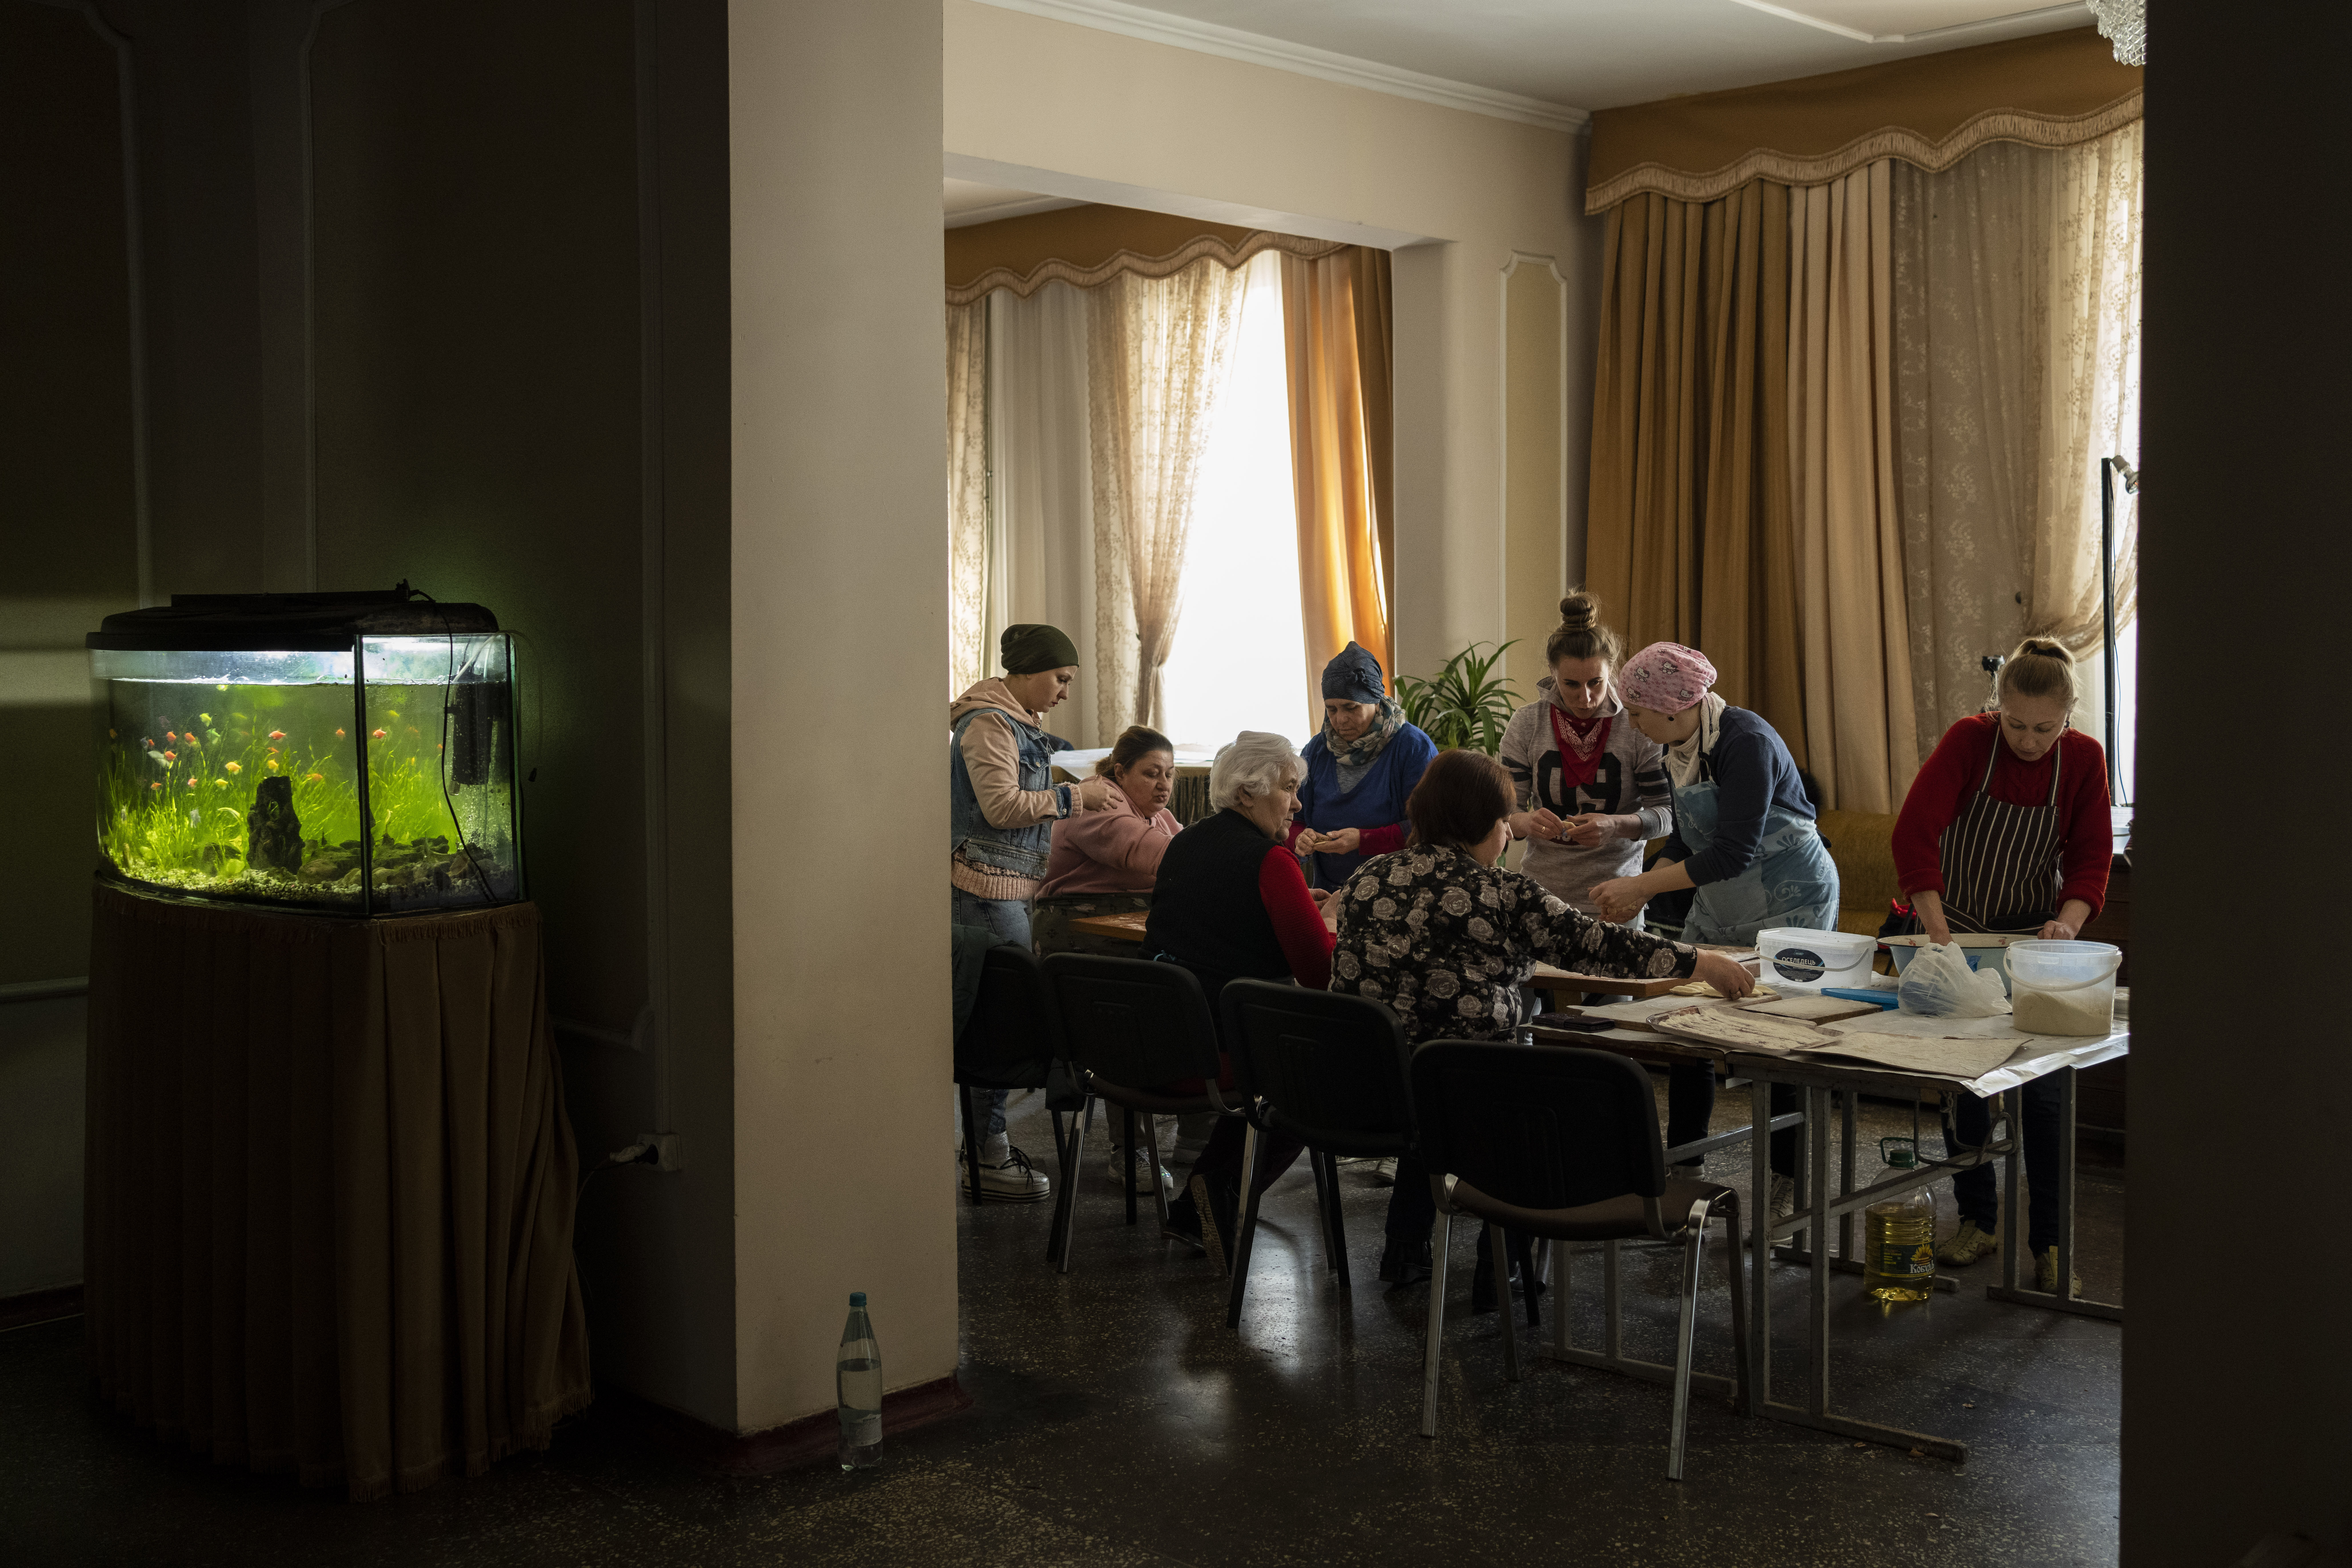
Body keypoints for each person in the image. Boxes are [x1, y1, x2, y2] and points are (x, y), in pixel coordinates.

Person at [1328, 749, 1755, 1293]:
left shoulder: (1369, 877)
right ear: (1485, 825)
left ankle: (1406, 1252)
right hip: (1474, 1093)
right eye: (1505, 824)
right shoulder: (1503, 894)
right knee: (1508, 1096)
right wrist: (1702, 961)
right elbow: (1598, 946)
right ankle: (1502, 1268)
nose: (1508, 837)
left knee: (1434, 1085)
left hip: (1376, 1087)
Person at [1586, 642, 1839, 1214]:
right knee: (1688, 1028)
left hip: (1790, 895)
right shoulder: (1678, 745)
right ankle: (1684, 1164)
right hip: (1724, 899)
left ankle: (1785, 1178)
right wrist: (1642, 888)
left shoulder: (1742, 742)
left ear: (1672, 706)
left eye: (1637, 710)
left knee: (1777, 1039)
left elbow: (1730, 851)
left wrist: (1641, 886)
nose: (1632, 720)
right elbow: (1688, 837)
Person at [1893, 636, 2111, 1291]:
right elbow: (1913, 832)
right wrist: (1937, 934)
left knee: (2043, 1098)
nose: (2026, 739)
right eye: (2014, 723)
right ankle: (1976, 1219)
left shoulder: (2081, 760)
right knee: (1964, 1090)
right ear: (1997, 706)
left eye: (2043, 728)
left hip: (2030, 949)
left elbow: (2088, 859)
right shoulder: (1968, 740)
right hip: (1953, 936)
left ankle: (2048, 1244)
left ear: (2068, 717)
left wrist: (2065, 924)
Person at [1144, 731, 1336, 1272]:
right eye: (1289, 789)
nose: (1298, 803)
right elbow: (1318, 974)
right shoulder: (1270, 860)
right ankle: (1213, 1188)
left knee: (1279, 1063)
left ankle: (1195, 1206)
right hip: (1210, 1053)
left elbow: (1218, 919)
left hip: (1147, 1041)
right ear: (1248, 794)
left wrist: (1297, 904)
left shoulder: (1185, 841)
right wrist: (1330, 924)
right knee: (1306, 1075)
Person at [949, 623, 1113, 1201]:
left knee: (995, 1020)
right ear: (1026, 672)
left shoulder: (1013, 724)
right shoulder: (988, 725)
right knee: (1000, 1027)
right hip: (984, 891)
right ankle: (988, 1153)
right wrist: (1075, 797)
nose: (1065, 692)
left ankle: (981, 1146)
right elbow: (999, 807)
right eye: (1060, 679)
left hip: (1001, 888)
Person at [1033, 724, 1186, 1198]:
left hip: (1123, 936)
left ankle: (1194, 1137)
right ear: (1120, 772)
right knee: (1137, 1018)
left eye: (1170, 774)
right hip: (1078, 941)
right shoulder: (1098, 801)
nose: (1163, 784)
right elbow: (1154, 858)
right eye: (1151, 773)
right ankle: (1133, 1152)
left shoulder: (1156, 814)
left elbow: (1194, 858)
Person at [1498, 590, 1673, 920]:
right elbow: (1504, 815)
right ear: (1552, 674)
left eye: (1597, 682)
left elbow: (1666, 816)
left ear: (1612, 672)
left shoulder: (1636, 724)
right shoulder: (1527, 724)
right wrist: (1526, 822)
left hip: (1617, 896)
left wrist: (1616, 825)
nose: (1587, 697)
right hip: (1542, 897)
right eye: (1571, 685)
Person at [1289, 641, 1439, 889]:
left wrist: (1364, 840)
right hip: (1330, 891)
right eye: (1331, 709)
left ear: (1377, 701)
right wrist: (1300, 840)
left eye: (1351, 707)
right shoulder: (1317, 750)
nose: (1340, 719)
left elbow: (1428, 826)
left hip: (1396, 892)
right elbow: (1295, 817)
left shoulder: (1412, 748)